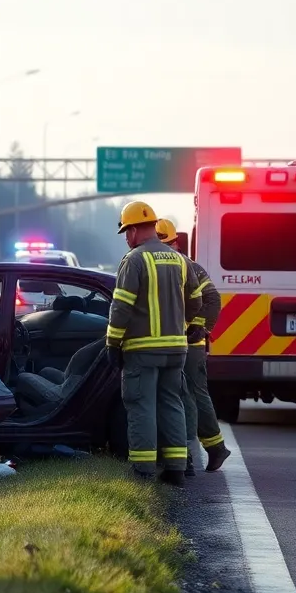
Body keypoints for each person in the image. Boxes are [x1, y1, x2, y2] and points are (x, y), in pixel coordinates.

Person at [107, 201, 203, 486]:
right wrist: (180, 324)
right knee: (172, 403)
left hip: (142, 350)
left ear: (135, 230)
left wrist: (112, 343)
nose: (126, 238)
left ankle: (143, 470)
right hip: (176, 350)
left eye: (126, 231)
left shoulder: (134, 260)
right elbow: (195, 302)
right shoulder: (178, 259)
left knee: (141, 405)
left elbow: (121, 307)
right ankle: (176, 469)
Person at [155, 219, 232, 475]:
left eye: (166, 244)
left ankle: (187, 455)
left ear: (175, 243)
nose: (162, 249)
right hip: (169, 342)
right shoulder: (153, 264)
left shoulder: (189, 267)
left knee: (188, 395)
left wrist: (199, 327)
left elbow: (212, 299)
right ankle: (214, 447)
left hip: (189, 343)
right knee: (185, 395)